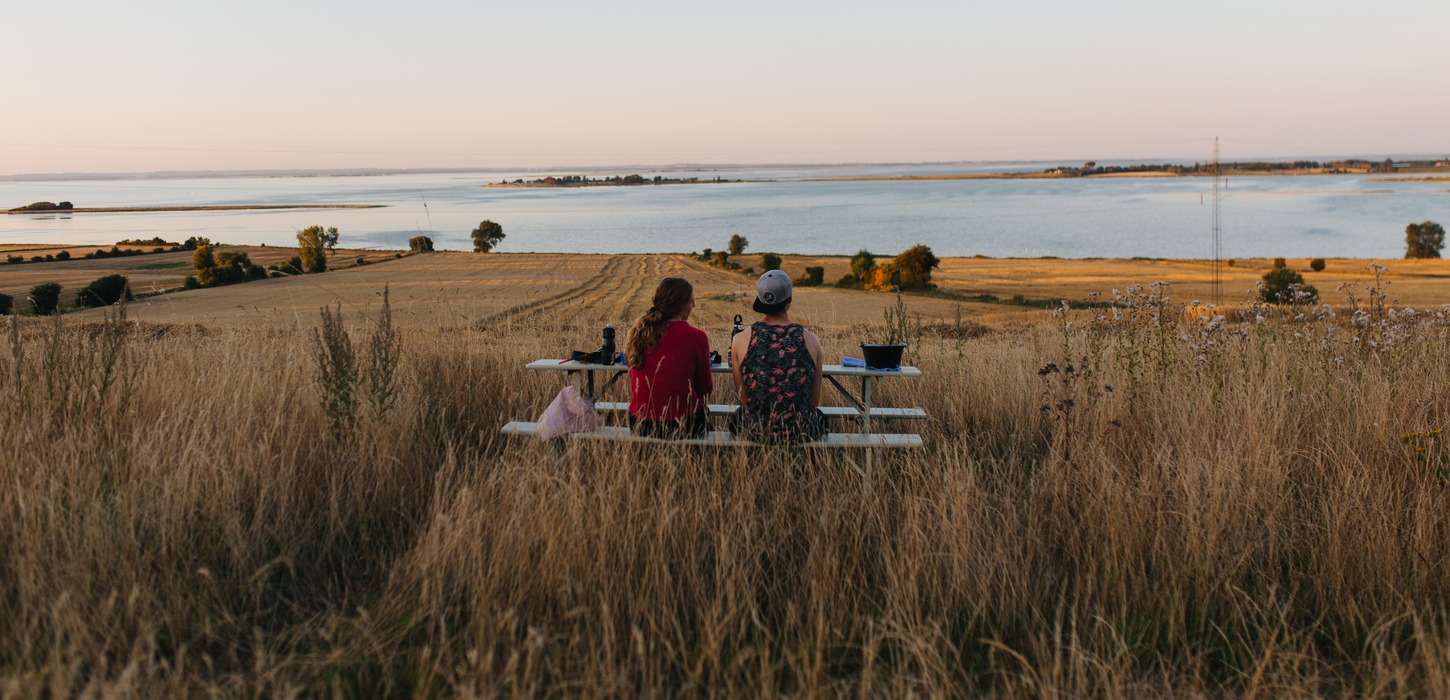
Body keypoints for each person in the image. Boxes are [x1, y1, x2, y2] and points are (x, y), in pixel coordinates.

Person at [730, 270, 828, 443]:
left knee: (736, 419)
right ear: (789, 299)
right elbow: (813, 402)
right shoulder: (812, 340)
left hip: (756, 430)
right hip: (801, 430)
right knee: (821, 417)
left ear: (760, 299)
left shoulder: (739, 339)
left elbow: (743, 400)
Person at [625, 277, 713, 438]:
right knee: (705, 415)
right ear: (681, 305)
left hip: (639, 423)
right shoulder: (697, 337)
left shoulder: (638, 333)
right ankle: (695, 462)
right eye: (691, 301)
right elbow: (706, 389)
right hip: (682, 424)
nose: (693, 305)